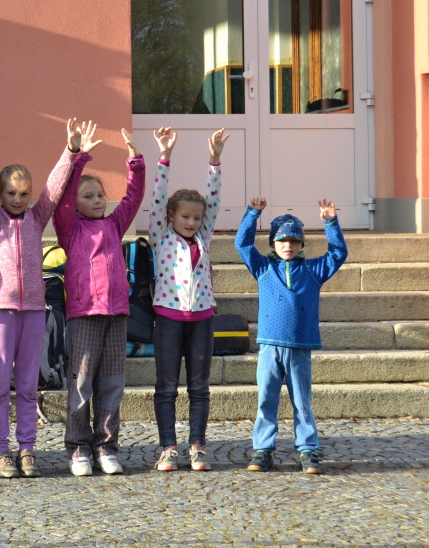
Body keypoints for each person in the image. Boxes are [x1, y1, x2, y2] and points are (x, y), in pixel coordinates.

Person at [0, 111, 81, 479]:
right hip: (0, 310)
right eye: (11, 193)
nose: (18, 199)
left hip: (34, 312)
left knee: (28, 386)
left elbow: (54, 187)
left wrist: (70, 150)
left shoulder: (37, 217)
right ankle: (0, 450)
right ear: (0, 194)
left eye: (24, 193)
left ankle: (27, 449)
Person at [52, 122, 145, 477]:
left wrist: (134, 160)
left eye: (100, 195)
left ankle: (106, 447)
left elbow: (133, 197)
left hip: (116, 313)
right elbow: (62, 199)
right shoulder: (70, 228)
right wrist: (78, 158)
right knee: (81, 383)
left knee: (112, 383)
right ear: (76, 203)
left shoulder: (114, 224)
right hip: (84, 314)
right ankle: (78, 448)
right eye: (88, 196)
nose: (97, 201)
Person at [236, 199, 348, 474]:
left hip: (300, 346)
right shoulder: (263, 268)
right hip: (269, 345)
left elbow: (338, 254)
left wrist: (330, 223)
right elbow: (242, 245)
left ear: (302, 244)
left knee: (302, 401)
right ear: (273, 244)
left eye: (294, 241)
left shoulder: (313, 270)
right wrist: (252, 214)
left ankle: (308, 450)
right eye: (282, 241)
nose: (288, 246)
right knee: (266, 399)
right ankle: (263, 449)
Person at [147, 127, 229, 472]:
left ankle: (197, 446)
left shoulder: (203, 237)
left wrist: (214, 160)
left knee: (199, 387)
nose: (192, 222)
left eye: (197, 218)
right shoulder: (160, 235)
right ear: (170, 217)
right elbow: (157, 197)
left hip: (202, 320)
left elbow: (214, 200)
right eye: (185, 216)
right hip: (168, 319)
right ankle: (168, 447)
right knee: (166, 387)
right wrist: (164, 157)